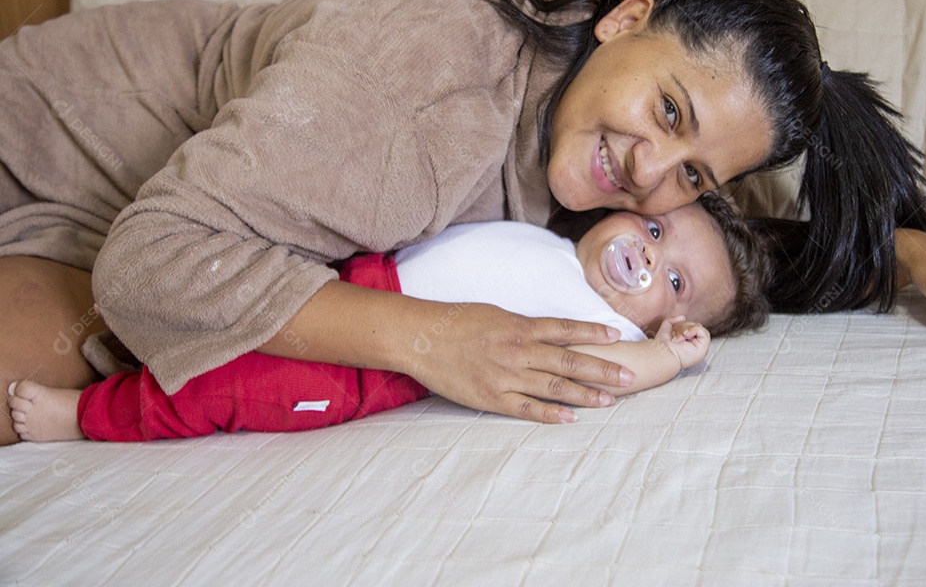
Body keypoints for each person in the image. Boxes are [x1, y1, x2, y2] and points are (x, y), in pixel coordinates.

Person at [0, 0, 926, 444]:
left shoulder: (593, 126)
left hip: (125, 215)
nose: (651, 175)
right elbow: (154, 260)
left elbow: (699, 260)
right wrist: (432, 339)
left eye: (695, 176)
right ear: (626, 21)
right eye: (668, 110)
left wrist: (901, 252)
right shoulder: (417, 102)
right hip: (44, 157)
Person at [7, 196, 770, 442]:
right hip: (355, 288)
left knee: (226, 391)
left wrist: (670, 356)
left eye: (674, 280)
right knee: (225, 321)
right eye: (657, 228)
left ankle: (88, 418)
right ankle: (132, 359)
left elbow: (611, 374)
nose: (648, 253)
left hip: (368, 370)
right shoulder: (552, 238)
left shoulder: (604, 325)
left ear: (666, 319)